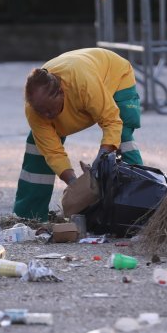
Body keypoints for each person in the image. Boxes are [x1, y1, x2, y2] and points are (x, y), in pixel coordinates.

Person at [13, 48, 143, 221]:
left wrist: (102, 158)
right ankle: (29, 215)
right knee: (38, 148)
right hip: (83, 85)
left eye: (49, 110)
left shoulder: (82, 83)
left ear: (61, 92)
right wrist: (76, 185)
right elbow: (53, 153)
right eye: (40, 111)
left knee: (122, 136)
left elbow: (111, 120)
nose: (46, 116)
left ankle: (140, 203)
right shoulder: (34, 110)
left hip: (114, 76)